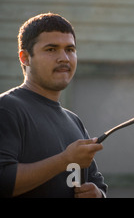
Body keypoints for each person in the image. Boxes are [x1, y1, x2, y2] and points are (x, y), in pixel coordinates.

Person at [0, 13, 107, 198]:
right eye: (51, 49)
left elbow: (99, 186)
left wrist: (97, 194)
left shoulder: (74, 121)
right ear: (25, 58)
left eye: (70, 49)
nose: (64, 58)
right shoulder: (7, 108)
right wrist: (64, 160)